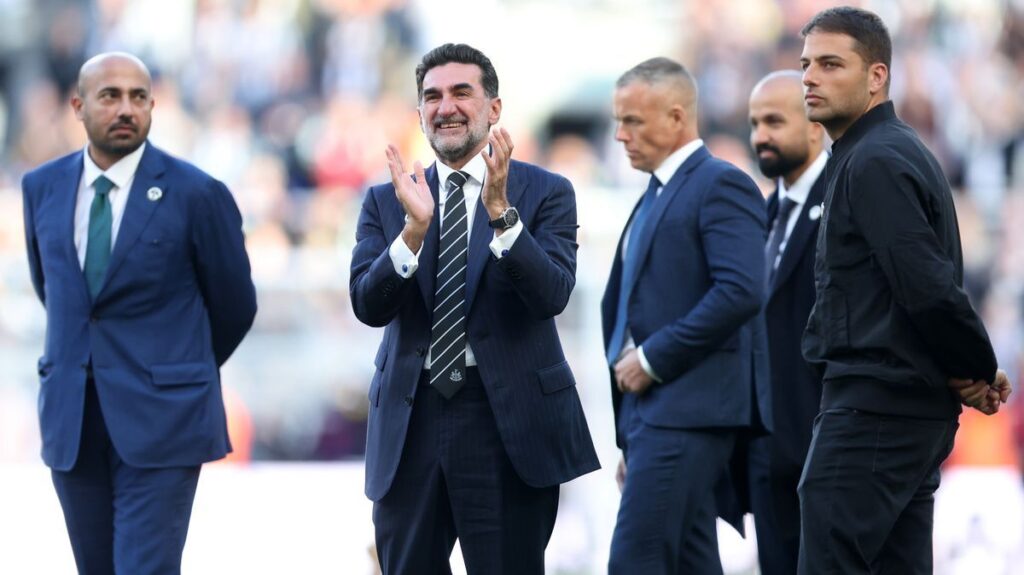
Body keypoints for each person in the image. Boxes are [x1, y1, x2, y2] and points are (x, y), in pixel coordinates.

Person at [349, 43, 599, 574]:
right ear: (419, 112)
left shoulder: (546, 192)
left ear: (494, 108)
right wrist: (412, 234)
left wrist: (504, 217)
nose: (446, 107)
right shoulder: (385, 200)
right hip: (410, 422)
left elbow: (551, 294)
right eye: (432, 96)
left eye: (462, 92)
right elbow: (367, 306)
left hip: (507, 424)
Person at [21, 52, 256, 574]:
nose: (126, 108)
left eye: (138, 97)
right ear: (78, 106)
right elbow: (58, 294)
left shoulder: (197, 193)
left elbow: (236, 305)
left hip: (163, 423)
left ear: (152, 105)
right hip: (73, 421)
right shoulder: (41, 189)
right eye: (110, 96)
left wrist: (176, 369)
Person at [798, 7, 1012, 574]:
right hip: (898, 412)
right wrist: (971, 368)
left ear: (877, 76)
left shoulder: (875, 160)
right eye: (806, 65)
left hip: (874, 414)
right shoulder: (880, 152)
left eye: (830, 63)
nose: (810, 78)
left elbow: (927, 287)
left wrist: (977, 367)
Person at [603, 56, 771, 575]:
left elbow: (743, 290)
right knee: (690, 562)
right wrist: (633, 432)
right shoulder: (656, 193)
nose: (620, 135)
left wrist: (652, 358)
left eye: (634, 120)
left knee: (635, 561)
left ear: (677, 117)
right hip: (656, 416)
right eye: (618, 121)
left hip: (688, 414)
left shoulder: (720, 183)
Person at [746, 70, 828, 575]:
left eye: (774, 120)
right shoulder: (761, 215)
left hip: (825, 443)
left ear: (815, 125)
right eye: (755, 123)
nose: (760, 135)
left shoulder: (846, 199)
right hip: (767, 449)